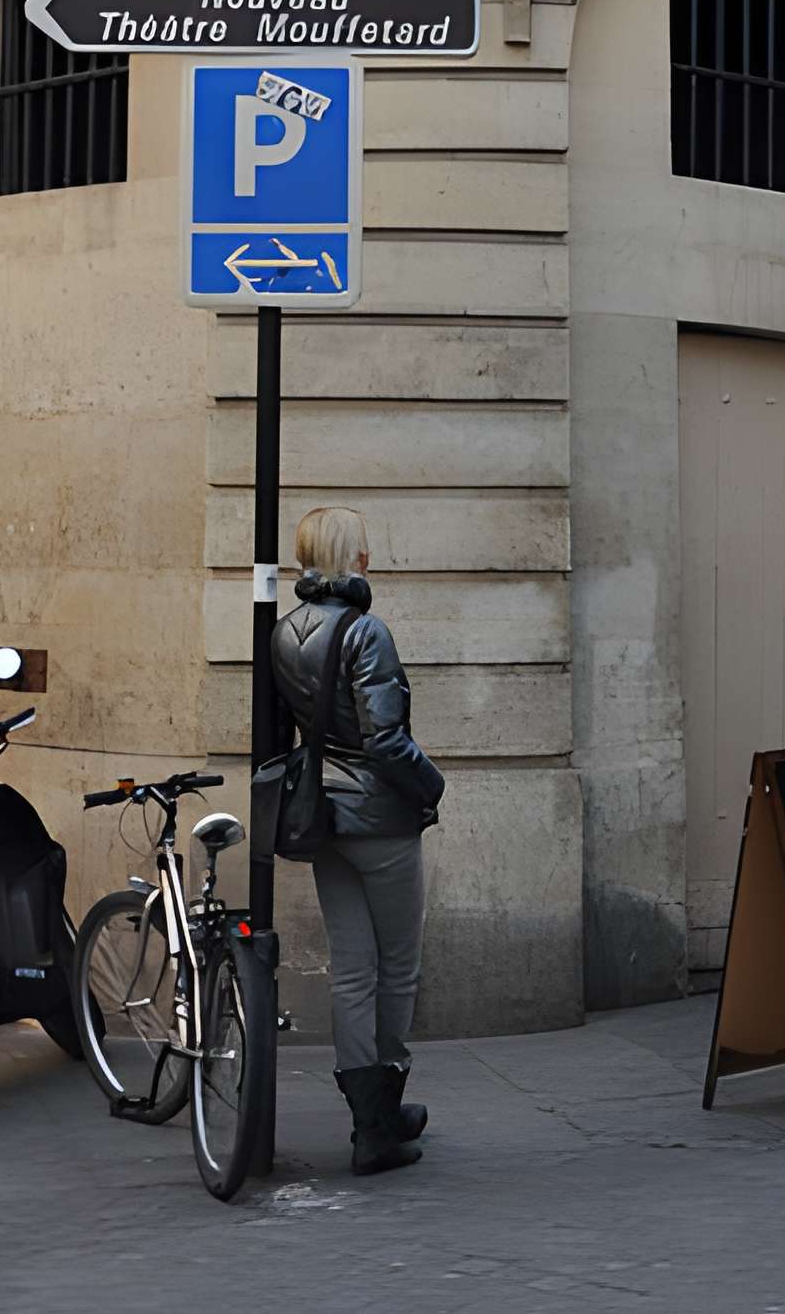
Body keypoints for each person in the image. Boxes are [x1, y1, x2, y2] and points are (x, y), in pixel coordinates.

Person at [270, 502, 445, 1176]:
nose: (370, 557)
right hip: (379, 820)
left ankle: (371, 1119)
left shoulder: (283, 633)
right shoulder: (367, 631)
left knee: (351, 968)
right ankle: (381, 1114)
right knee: (397, 964)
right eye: (364, 547)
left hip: (323, 819)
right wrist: (431, 785)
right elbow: (386, 740)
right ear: (353, 557)